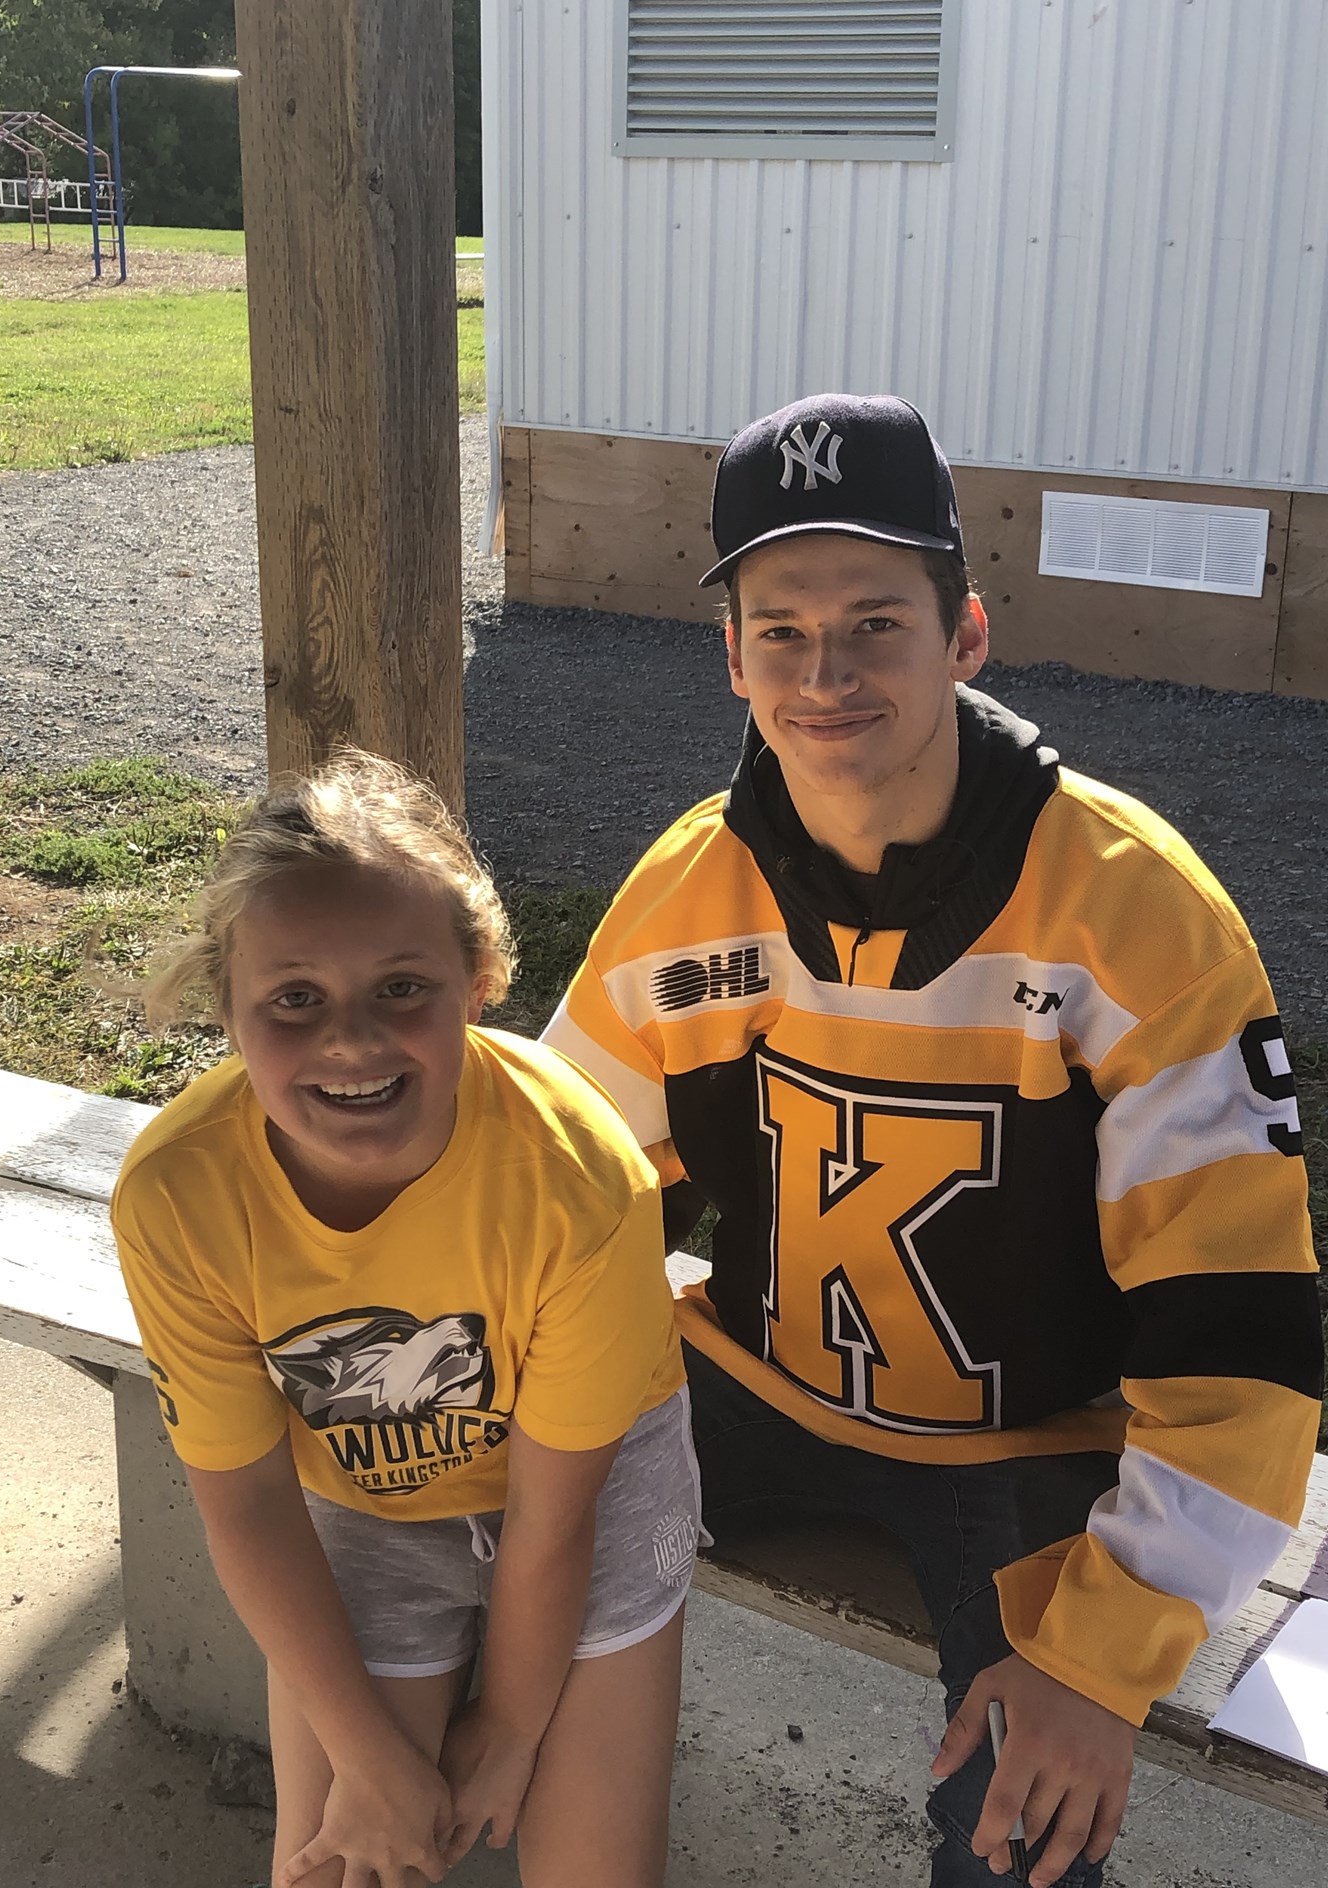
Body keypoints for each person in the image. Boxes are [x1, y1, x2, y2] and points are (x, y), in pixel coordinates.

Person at [545, 393, 1322, 1888]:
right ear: (731, 655)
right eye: (781, 628)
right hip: (754, 1386)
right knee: (457, 1518)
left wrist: (1102, 1662)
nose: (825, 673)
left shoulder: (1136, 910)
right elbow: (567, 1194)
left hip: (1024, 1447)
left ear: (966, 633)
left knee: (1026, 1828)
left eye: (873, 622)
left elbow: (1241, 1334)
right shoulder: (691, 891)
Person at [111, 750, 696, 1888]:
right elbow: (245, 1503)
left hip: (589, 1487)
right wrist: (372, 1759)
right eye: (293, 1000)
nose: (351, 1041)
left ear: (476, 985)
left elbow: (553, 1519)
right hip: (359, 1494)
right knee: (336, 1861)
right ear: (225, 1009)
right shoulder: (178, 1194)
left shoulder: (577, 1174)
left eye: (401, 989)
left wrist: (513, 1730)